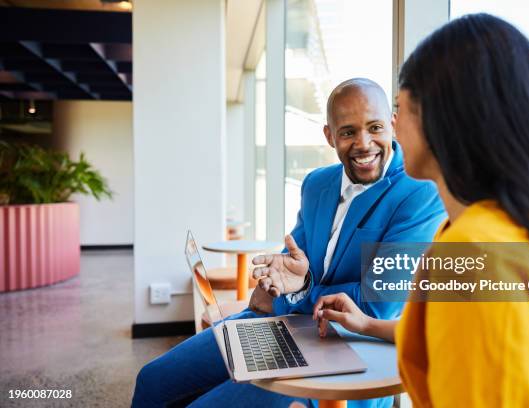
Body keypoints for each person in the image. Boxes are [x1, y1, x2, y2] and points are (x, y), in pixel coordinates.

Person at [311, 13, 529, 407]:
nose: (392, 132)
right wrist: (368, 325)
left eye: (400, 111)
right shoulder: (526, 228)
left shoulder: (473, 255)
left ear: (442, 120)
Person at [131, 78, 446, 408]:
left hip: (349, 352)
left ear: (392, 124)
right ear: (330, 136)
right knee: (151, 381)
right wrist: (289, 287)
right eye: (348, 132)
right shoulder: (317, 184)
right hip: (278, 326)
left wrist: (291, 297)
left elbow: (377, 305)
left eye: (375, 127)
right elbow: (294, 267)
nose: (364, 143)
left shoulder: (419, 191)